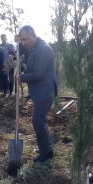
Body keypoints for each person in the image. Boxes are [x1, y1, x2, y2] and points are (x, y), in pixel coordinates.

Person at [16, 25, 58, 162]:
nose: (23, 43)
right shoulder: (35, 47)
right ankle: (46, 148)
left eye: (25, 39)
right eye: (21, 40)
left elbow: (38, 74)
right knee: (39, 120)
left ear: (33, 35)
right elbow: (24, 47)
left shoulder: (43, 49)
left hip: (45, 91)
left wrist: (22, 77)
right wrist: (18, 42)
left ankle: (47, 152)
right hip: (41, 91)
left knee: (38, 121)